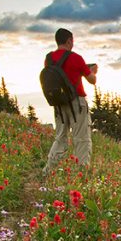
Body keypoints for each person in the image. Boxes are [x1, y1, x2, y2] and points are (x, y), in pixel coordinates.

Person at [42, 28, 97, 174]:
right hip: (76, 103)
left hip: (58, 104)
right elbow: (92, 80)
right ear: (68, 41)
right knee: (82, 138)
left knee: (60, 137)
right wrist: (92, 71)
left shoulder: (48, 59)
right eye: (72, 41)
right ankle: (82, 172)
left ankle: (48, 170)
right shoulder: (76, 58)